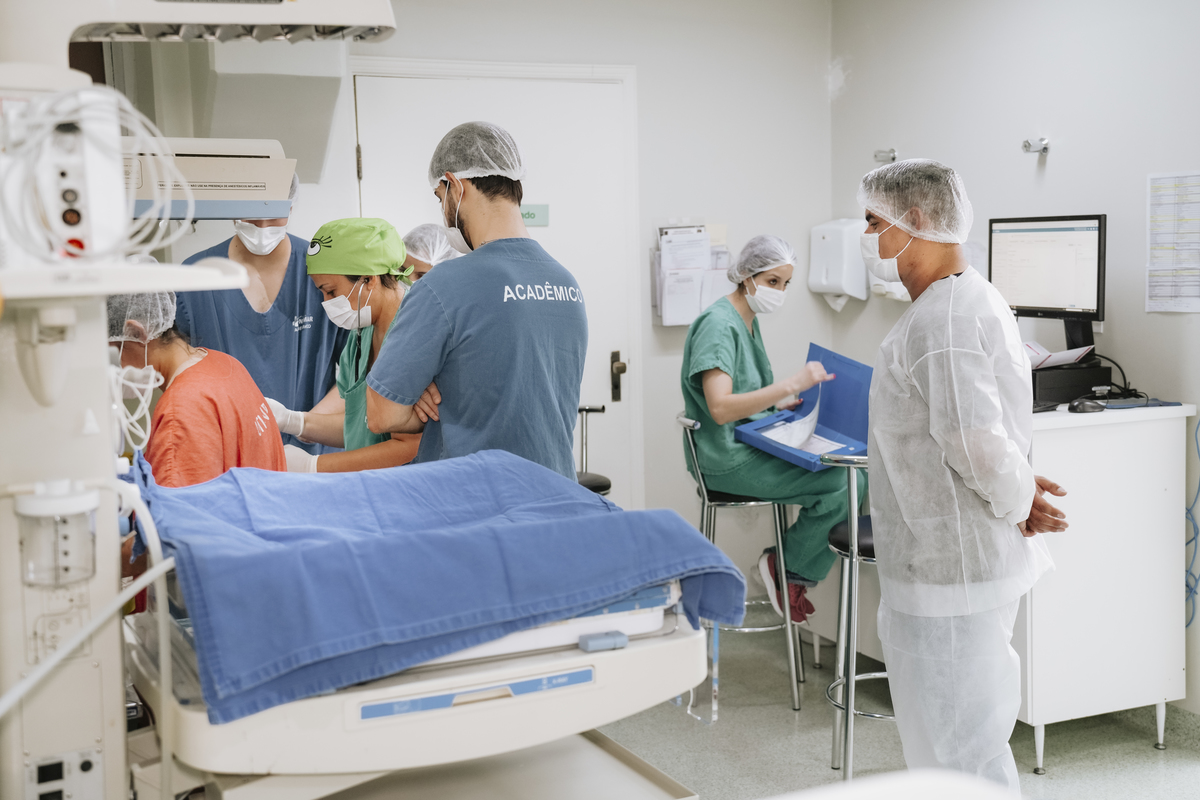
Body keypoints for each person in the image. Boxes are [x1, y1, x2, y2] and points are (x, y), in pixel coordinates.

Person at [861, 159, 1067, 792]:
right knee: (951, 747)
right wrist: (1018, 491)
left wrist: (1020, 498)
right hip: (949, 566)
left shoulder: (944, 319)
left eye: (873, 220)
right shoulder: (958, 302)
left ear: (914, 219)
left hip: (950, 573)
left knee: (960, 753)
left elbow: (974, 445)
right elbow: (981, 435)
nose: (866, 236)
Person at [364, 122, 587, 480]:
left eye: (440, 198)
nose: (442, 209)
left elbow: (381, 414)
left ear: (455, 186)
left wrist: (419, 393)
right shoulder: (566, 283)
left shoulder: (443, 285)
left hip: (476, 497)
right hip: (554, 491)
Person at [680, 234, 865, 622]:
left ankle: (789, 569)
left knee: (857, 478)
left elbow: (741, 394)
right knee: (839, 484)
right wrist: (791, 384)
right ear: (746, 275)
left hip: (750, 441)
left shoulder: (746, 321)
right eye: (772, 281)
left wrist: (779, 406)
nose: (779, 292)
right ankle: (786, 569)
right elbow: (719, 408)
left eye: (785, 284)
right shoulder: (719, 325)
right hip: (725, 456)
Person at [176, 175, 346, 453]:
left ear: (291, 207)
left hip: (313, 454)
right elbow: (175, 376)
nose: (263, 226)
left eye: (274, 215)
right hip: (227, 456)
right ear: (232, 209)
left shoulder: (323, 271)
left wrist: (304, 426)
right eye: (253, 215)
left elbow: (360, 373)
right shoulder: (195, 279)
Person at [267, 218, 422, 473]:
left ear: (368, 279)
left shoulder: (413, 333)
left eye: (330, 291)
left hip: (408, 485)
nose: (326, 302)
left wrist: (312, 466)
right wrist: (293, 421)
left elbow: (409, 447)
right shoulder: (360, 335)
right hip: (368, 484)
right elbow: (357, 426)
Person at [107, 291, 287, 488]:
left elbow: (181, 505)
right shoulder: (226, 363)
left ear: (136, 332)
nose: (112, 370)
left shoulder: (181, 410)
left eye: (112, 356)